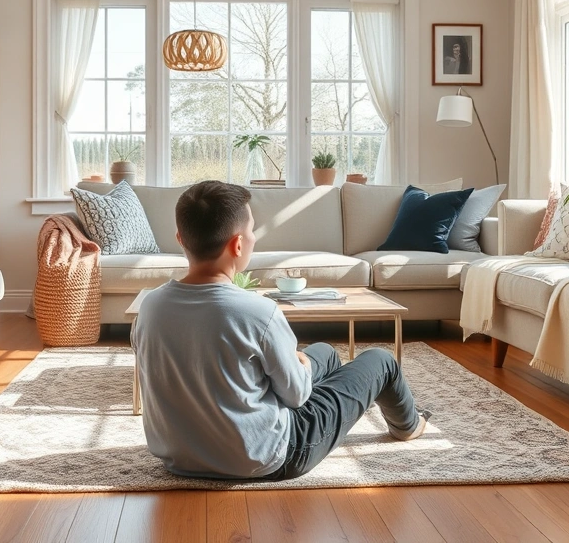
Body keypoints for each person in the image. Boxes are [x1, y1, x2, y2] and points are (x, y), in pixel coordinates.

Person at [131, 180, 428, 480]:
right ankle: (409, 426)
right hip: (272, 456)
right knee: (381, 361)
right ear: (237, 245)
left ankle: (315, 374)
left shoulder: (150, 307)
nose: (253, 238)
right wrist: (300, 368)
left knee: (325, 352)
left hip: (179, 459)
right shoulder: (259, 311)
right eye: (252, 231)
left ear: (181, 239)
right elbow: (297, 397)